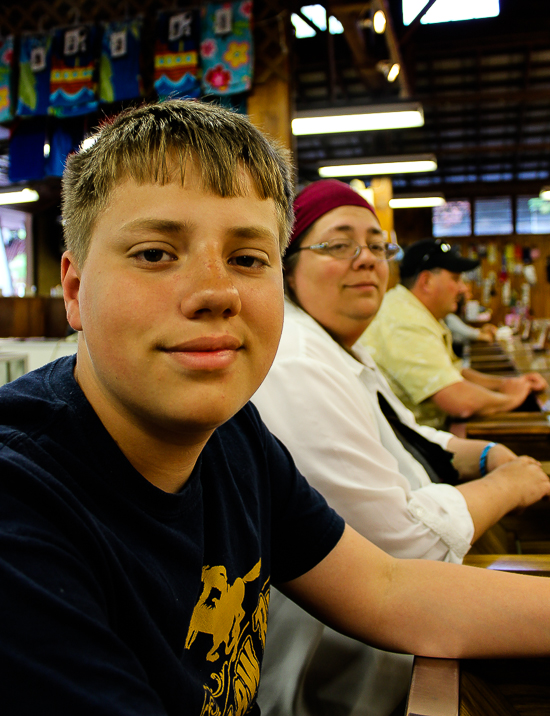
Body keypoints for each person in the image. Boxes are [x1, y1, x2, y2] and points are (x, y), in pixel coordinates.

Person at [2, 101, 550, 716]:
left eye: (247, 258)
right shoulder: (20, 506)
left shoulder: (234, 435)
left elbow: (386, 588)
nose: (216, 292)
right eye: (155, 253)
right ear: (75, 291)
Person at [251, 179, 550, 716]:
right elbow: (409, 549)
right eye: (339, 244)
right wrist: (504, 486)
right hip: (350, 679)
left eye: (376, 245)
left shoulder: (342, 345)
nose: (365, 260)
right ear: (286, 267)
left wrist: (480, 455)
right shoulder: (295, 359)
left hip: (399, 639)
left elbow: (408, 431)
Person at [361, 238, 547, 428]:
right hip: (412, 449)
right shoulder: (403, 320)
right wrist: (510, 399)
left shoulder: (415, 311)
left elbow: (455, 373)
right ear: (426, 281)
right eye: (456, 279)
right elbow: (458, 401)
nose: (463, 288)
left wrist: (507, 384)